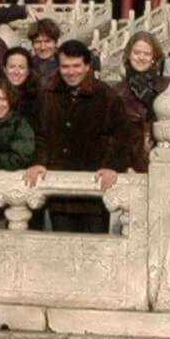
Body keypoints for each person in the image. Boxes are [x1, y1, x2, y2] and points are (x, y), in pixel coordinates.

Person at [24, 40, 131, 233]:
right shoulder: (47, 94)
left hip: (94, 187)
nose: (71, 72)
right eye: (65, 66)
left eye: (76, 66)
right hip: (59, 187)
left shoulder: (106, 96)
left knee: (93, 245)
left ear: (87, 66)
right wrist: (38, 161)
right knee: (62, 243)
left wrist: (111, 166)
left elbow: (120, 137)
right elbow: (39, 134)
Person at [115, 30, 170, 174]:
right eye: (136, 53)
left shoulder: (168, 88)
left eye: (147, 54)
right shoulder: (117, 92)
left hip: (164, 165)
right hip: (131, 169)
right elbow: (112, 136)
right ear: (128, 55)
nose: (141, 57)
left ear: (154, 58)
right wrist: (123, 164)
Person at [1, 46, 42, 129]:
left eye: (21, 67)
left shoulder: (38, 97)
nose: (16, 72)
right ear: (4, 70)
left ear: (28, 71)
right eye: (12, 67)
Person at [28, 19, 63, 86]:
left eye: (47, 41)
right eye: (38, 42)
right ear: (32, 44)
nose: (43, 47)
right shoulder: (28, 66)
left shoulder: (66, 64)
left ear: (56, 42)